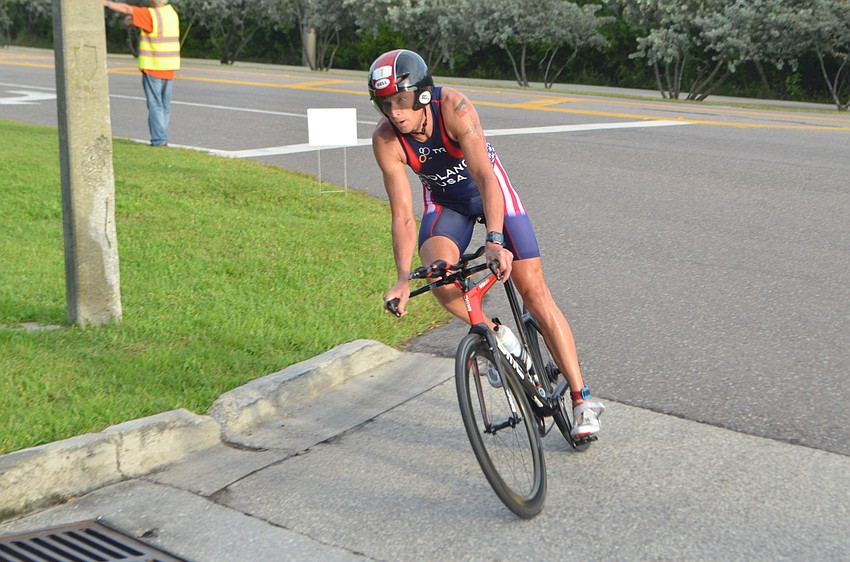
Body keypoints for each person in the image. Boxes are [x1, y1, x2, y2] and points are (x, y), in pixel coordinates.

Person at [369, 49, 605, 438]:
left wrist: (494, 240)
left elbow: (484, 176)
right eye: (386, 104)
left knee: (534, 292)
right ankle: (498, 338)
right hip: (446, 206)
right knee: (442, 282)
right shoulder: (386, 140)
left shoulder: (455, 107)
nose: (395, 113)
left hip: (493, 194)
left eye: (402, 101)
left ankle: (582, 399)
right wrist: (401, 278)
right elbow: (401, 214)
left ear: (423, 96)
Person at [103, 0, 180, 147]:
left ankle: (159, 140)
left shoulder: (150, 14)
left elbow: (126, 8)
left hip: (154, 66)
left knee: (155, 104)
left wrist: (106, 3)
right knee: (164, 106)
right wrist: (133, 21)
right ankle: (162, 137)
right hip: (169, 66)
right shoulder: (170, 13)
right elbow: (152, 26)